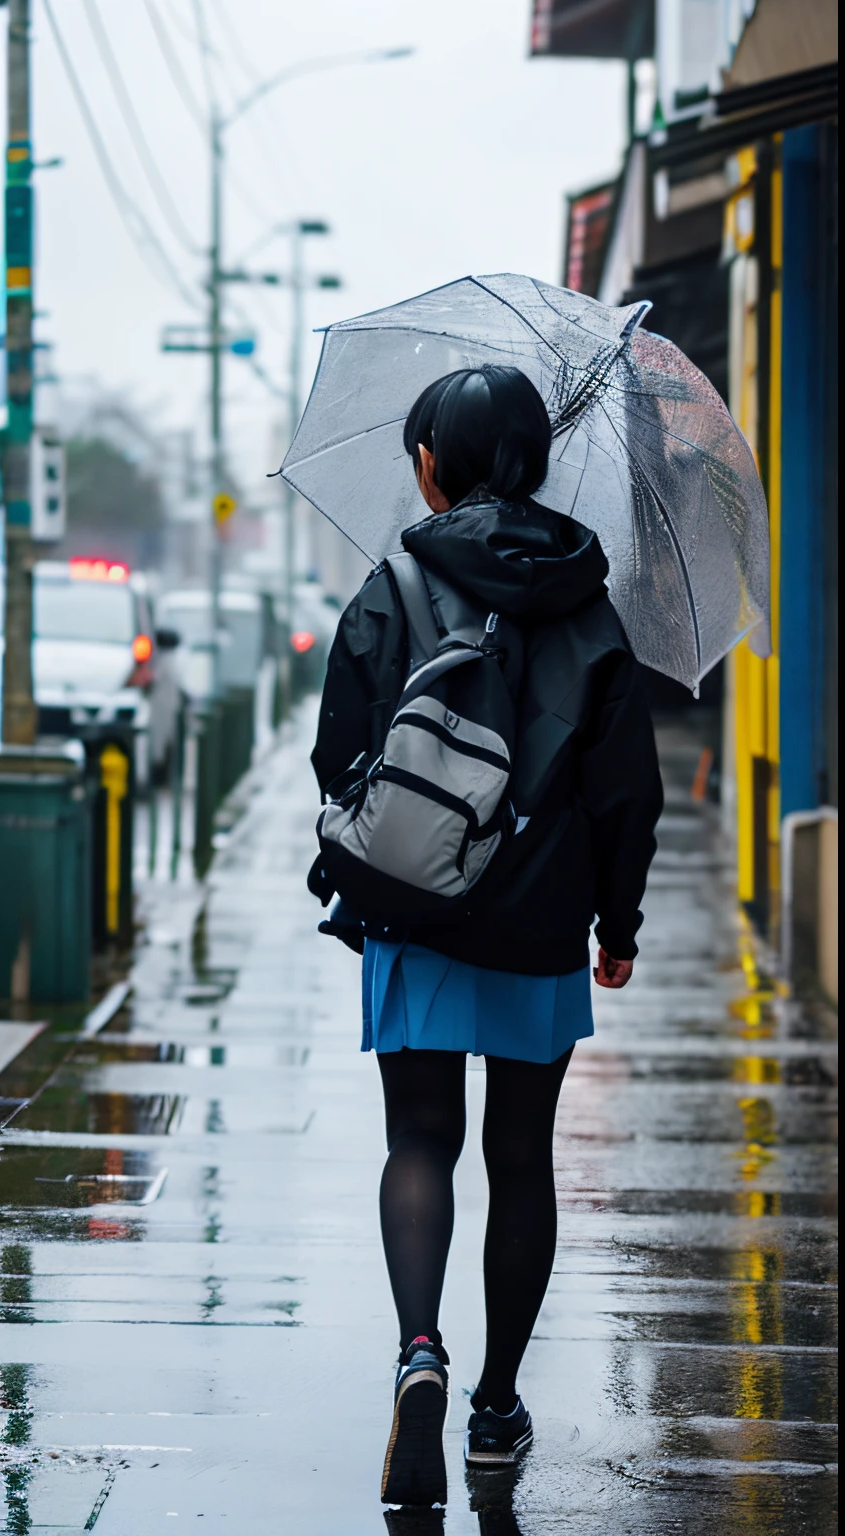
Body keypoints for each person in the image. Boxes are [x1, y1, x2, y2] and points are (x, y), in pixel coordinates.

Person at [310, 365, 663, 1509]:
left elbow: (336, 755)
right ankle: (498, 1408)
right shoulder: (588, 603)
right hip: (544, 915)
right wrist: (616, 920)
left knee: (419, 1140)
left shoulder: (394, 582)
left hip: (413, 908)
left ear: (429, 463)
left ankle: (419, 1353)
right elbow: (625, 791)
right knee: (520, 1159)